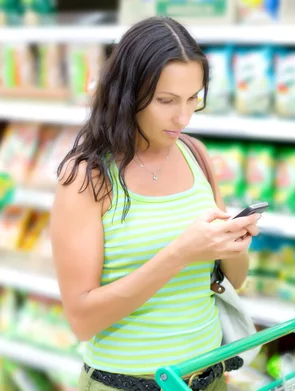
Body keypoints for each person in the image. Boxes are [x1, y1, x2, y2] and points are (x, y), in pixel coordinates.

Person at [50, 16, 261, 391]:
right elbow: (82, 319)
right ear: (128, 95)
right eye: (166, 101)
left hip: (210, 378)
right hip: (127, 384)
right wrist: (180, 252)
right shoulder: (88, 178)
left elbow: (236, 279)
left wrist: (233, 242)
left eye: (194, 98)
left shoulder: (195, 153)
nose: (183, 116)